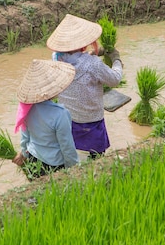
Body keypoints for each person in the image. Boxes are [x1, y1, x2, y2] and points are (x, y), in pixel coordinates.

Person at [46, 13, 123, 159]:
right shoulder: (92, 64)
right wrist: (116, 60)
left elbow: (75, 59)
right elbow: (115, 79)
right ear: (83, 43)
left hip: (68, 118)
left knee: (74, 151)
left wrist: (92, 54)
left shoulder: (56, 59)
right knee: (97, 156)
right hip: (92, 119)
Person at [12, 59, 79, 179]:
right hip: (54, 164)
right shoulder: (60, 114)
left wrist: (23, 153)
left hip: (34, 158)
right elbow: (67, 146)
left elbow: (25, 136)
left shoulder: (27, 109)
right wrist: (74, 168)